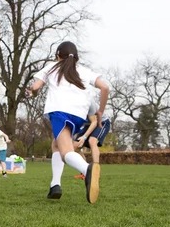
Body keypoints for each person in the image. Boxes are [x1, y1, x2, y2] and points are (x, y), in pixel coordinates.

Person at [27, 41, 109, 204]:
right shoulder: (84, 71)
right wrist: (100, 110)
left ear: (58, 55)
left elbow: (36, 87)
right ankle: (55, 185)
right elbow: (105, 88)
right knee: (56, 144)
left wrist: (32, 92)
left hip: (60, 112)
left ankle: (88, 170)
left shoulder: (52, 67)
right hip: (78, 115)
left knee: (65, 152)